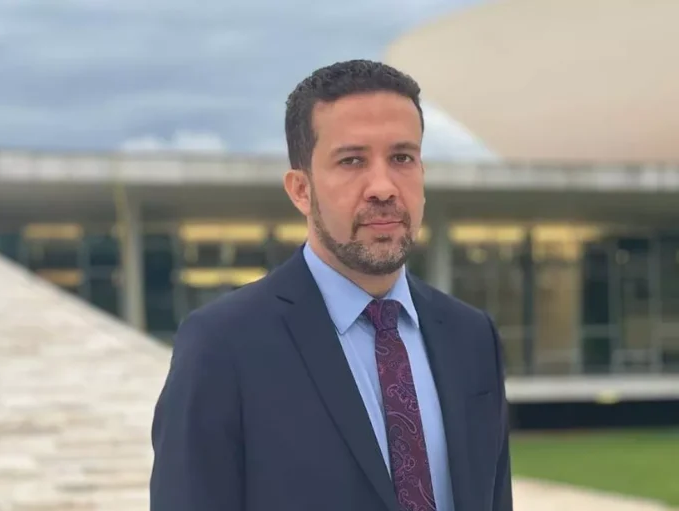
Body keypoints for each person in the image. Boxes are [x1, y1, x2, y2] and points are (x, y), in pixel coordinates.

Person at [150, 59, 513, 511]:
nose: (383, 187)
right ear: (300, 190)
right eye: (352, 160)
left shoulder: (473, 337)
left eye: (402, 158)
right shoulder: (224, 345)